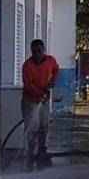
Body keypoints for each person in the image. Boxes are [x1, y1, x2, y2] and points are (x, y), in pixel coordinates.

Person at [22, 39, 59, 171]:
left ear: (44, 51)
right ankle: (30, 155)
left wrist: (52, 82)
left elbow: (56, 70)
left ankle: (42, 151)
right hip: (30, 101)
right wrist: (40, 94)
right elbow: (28, 85)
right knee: (31, 128)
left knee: (44, 126)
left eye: (39, 51)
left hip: (43, 101)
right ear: (31, 52)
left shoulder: (50, 60)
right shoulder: (27, 66)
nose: (37, 54)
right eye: (34, 52)